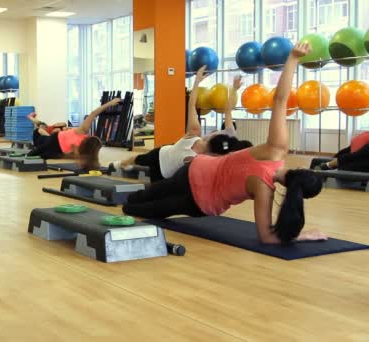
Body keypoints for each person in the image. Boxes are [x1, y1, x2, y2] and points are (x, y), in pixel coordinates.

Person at [122, 42, 327, 244]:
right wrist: (303, 236)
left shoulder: (275, 150)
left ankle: (130, 201)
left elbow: (280, 100)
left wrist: (293, 58)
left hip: (193, 171)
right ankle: (131, 206)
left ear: (300, 168)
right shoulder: (265, 190)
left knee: (143, 197)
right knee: (137, 209)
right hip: (199, 201)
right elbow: (267, 237)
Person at [111, 66, 252, 182]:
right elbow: (225, 108)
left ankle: (124, 165)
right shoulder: (199, 134)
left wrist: (198, 81)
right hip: (162, 154)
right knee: (137, 159)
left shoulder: (209, 157)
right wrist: (232, 89)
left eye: (212, 136)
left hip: (163, 171)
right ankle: (120, 164)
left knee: (146, 171)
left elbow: (193, 106)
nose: (211, 134)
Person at [26, 98, 123, 170]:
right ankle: (34, 125)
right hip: (52, 145)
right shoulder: (83, 149)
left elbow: (93, 113)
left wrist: (110, 103)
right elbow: (77, 157)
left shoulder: (83, 133)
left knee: (39, 146)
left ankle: (33, 123)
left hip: (52, 142)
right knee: (39, 146)